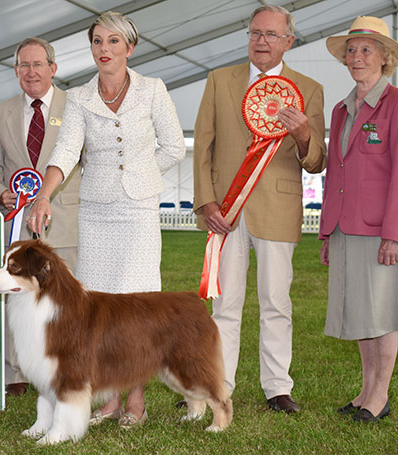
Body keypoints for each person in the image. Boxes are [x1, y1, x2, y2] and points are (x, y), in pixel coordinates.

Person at [27, 11, 185, 427]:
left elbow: (173, 146)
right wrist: (44, 194)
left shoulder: (153, 90)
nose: (104, 49)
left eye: (113, 42)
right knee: (99, 309)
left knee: (137, 307)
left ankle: (136, 401)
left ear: (129, 48)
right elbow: (66, 153)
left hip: (138, 211)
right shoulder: (79, 98)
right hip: (95, 213)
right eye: (98, 41)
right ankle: (111, 400)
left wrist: (139, 175)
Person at [193, 5, 326, 414]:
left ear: (289, 40)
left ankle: (277, 388)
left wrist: (303, 134)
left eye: (271, 35)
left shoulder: (309, 88)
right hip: (226, 212)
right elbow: (203, 145)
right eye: (255, 33)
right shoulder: (219, 80)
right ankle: (219, 386)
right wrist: (206, 200)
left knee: (276, 303)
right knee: (224, 306)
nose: (261, 41)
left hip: (278, 208)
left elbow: (317, 160)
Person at [0, 37, 81, 396]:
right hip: (17, 224)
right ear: (15, 71)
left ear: (53, 69)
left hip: (65, 220)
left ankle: (64, 367)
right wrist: (0, 193)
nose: (31, 72)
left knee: (64, 300)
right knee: (15, 297)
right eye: (24, 65)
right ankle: (15, 373)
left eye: (38, 64)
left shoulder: (77, 106)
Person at [320, 16, 398, 423]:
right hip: (343, 227)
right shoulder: (340, 109)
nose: (356, 57)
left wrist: (394, 234)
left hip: (380, 230)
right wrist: (325, 230)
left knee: (383, 314)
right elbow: (336, 171)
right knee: (360, 314)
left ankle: (380, 396)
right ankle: (367, 390)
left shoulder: (397, 104)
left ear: (384, 59)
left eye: (366, 49)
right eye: (351, 50)